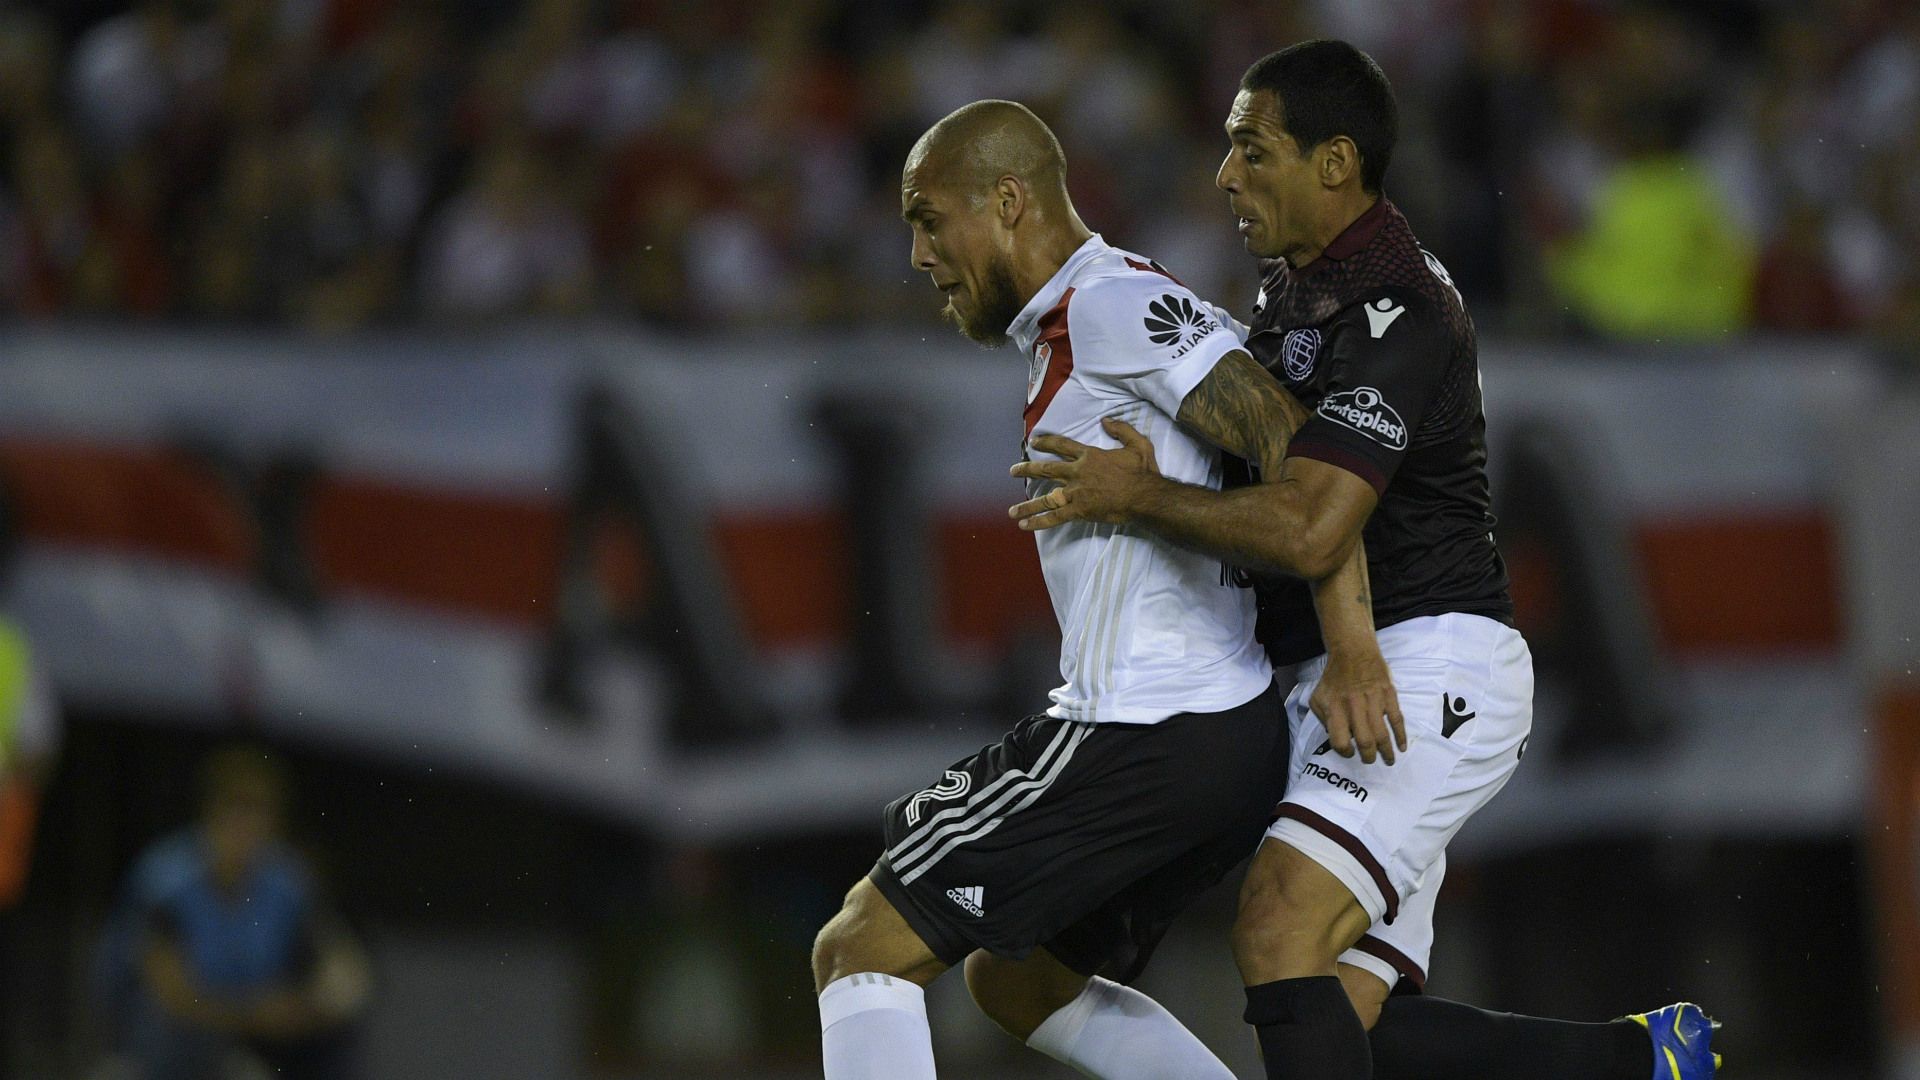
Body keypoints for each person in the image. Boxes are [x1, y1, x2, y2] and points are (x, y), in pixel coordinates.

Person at [1009, 40, 1720, 1080]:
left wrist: (1142, 497)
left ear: (1334, 162)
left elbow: (1311, 526)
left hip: (1423, 663)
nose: (1226, 176)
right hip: (1345, 671)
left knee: (1277, 928)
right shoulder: (1297, 290)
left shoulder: (1399, 307)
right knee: (1344, 1026)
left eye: (1253, 150)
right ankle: (1642, 1064)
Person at [809, 98, 1402, 1080]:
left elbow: (1302, 453)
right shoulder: (1077, 317)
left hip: (1152, 731)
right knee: (1015, 983)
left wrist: (1350, 645)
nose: (916, 255)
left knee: (859, 946)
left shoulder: (1110, 305)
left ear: (1006, 201)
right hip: (1203, 737)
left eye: (926, 219)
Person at [100, 746, 369, 1080]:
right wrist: (256, 1014)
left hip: (252, 1028)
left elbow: (344, 971)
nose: (246, 823)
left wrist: (324, 998)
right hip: (175, 1031)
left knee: (337, 1035)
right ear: (210, 810)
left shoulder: (287, 883)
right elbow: (172, 993)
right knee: (171, 1030)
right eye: (236, 807)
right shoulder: (165, 878)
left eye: (259, 810)